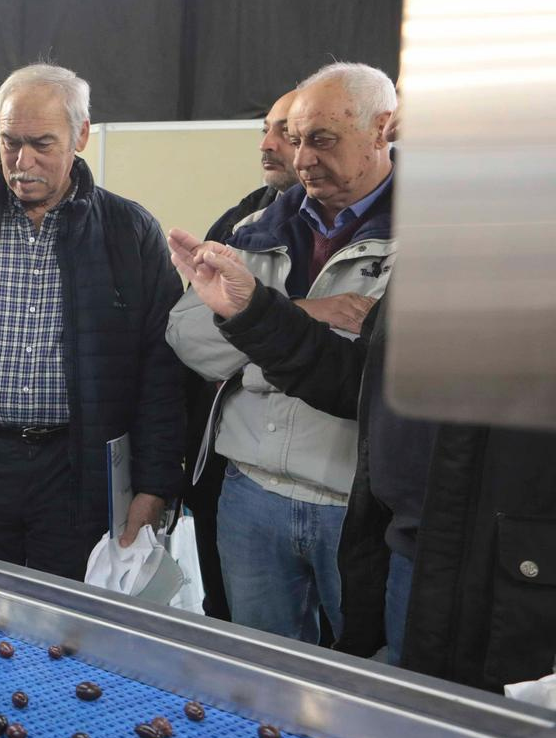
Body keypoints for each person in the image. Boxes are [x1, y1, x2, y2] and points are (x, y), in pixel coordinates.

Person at [167, 229, 556, 691]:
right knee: (394, 703)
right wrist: (254, 310)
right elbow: (362, 379)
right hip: (419, 550)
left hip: (515, 574)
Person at [0, 64, 186, 579]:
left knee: (64, 617)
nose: (22, 162)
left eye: (41, 144)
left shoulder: (129, 231)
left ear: (81, 136)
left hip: (75, 473)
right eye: (10, 143)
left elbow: (160, 366)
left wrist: (153, 485)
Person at [167, 62, 397, 644]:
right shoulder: (254, 226)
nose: (302, 159)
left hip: (358, 507)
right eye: (295, 139)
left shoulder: (432, 237)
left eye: (322, 139)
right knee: (259, 670)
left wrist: (254, 348)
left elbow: (380, 381)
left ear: (382, 128)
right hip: (250, 494)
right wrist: (306, 312)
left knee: (362, 676)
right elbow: (189, 339)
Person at [179, 88, 301, 622]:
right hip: (230, 473)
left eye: (287, 133)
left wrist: (250, 326)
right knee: (231, 627)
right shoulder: (242, 222)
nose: (268, 144)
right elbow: (190, 338)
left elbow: (359, 352)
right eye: (265, 129)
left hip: (341, 493)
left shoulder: (390, 225)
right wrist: (307, 314)